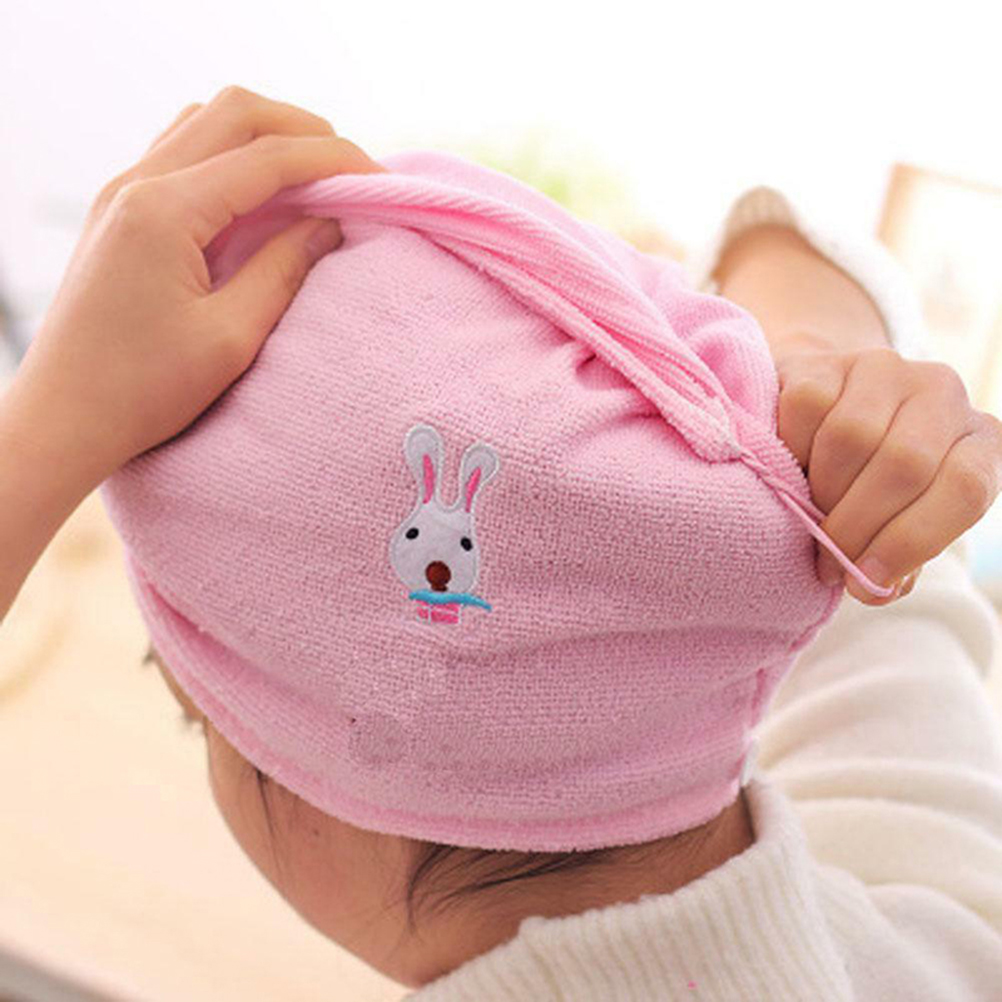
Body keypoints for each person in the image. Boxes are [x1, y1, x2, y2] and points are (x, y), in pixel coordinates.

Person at [2, 85, 1001, 1001]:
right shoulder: (944, 941)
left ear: (364, 760)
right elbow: (874, 582)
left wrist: (44, 430)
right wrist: (805, 378)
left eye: (202, 720)